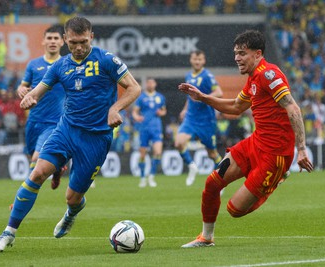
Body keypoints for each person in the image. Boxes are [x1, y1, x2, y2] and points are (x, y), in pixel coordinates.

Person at [0, 16, 141, 252]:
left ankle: (71, 213)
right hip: (66, 130)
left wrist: (115, 108)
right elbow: (39, 90)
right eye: (73, 43)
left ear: (91, 36)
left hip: (96, 139)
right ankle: (9, 232)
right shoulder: (60, 65)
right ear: (64, 40)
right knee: (38, 173)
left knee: (72, 197)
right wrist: (31, 97)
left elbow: (134, 87)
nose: (78, 47)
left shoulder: (107, 60)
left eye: (82, 42)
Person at [178, 30, 313, 248]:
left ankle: (276, 180)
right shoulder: (252, 79)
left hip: (274, 155)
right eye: (235, 53)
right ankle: (206, 238)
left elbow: (293, 108)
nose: (237, 58)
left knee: (234, 210)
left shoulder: (269, 75)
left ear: (258, 54)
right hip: (254, 143)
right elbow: (236, 107)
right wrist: (202, 98)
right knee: (212, 183)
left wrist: (302, 149)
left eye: (242, 53)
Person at [16, 25, 67, 190]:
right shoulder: (33, 64)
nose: (52, 41)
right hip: (34, 121)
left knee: (36, 158)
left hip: (54, 122)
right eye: (49, 38)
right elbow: (22, 86)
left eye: (56, 38)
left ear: (62, 41)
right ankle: (58, 169)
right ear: (43, 41)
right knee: (31, 155)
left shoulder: (66, 64)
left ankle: (22, 197)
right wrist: (21, 90)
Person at [175, 50, 223, 186]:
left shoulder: (207, 76)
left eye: (200, 59)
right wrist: (185, 109)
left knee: (212, 154)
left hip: (206, 121)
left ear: (204, 61)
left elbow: (219, 92)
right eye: (195, 59)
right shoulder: (189, 75)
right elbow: (190, 97)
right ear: (191, 60)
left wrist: (202, 97)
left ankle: (219, 181)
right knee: (178, 143)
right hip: (190, 118)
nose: (197, 62)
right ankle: (192, 166)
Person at [132, 78, 167, 188]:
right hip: (144, 128)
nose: (150, 84)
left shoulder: (160, 97)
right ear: (146, 84)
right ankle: (142, 177)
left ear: (155, 84)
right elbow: (134, 112)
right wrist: (137, 117)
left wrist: (161, 112)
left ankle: (151, 176)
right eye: (148, 83)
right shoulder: (141, 97)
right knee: (142, 153)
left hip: (156, 128)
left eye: (152, 82)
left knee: (157, 152)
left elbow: (164, 111)